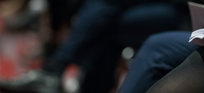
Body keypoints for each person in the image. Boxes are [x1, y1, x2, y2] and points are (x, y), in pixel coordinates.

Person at [0, 0, 182, 93]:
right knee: (103, 17)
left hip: (180, 12)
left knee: (105, 19)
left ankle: (53, 70)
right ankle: (58, 72)